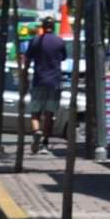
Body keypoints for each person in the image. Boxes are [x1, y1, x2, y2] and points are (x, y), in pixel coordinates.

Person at [22, 15, 67, 155]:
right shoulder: (59, 42)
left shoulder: (35, 41)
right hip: (54, 82)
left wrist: (24, 77)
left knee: (35, 113)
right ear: (53, 27)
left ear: (42, 26)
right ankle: (45, 142)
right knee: (50, 114)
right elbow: (64, 57)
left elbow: (27, 60)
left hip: (38, 81)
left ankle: (36, 131)